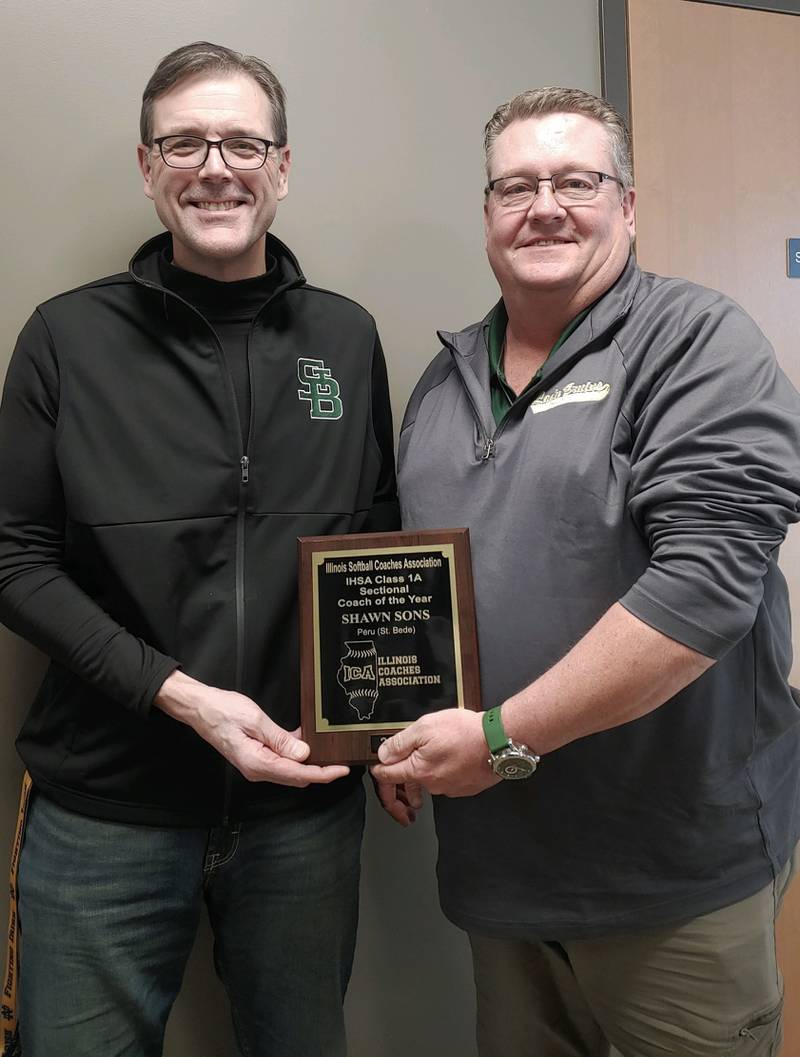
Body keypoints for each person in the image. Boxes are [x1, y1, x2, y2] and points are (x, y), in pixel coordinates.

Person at [372, 87, 800, 1057]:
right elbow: (412, 591)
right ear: (487, 212)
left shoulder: (694, 344)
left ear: (627, 205)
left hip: (667, 875)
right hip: (503, 874)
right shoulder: (442, 383)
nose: (544, 206)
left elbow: (702, 589)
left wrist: (495, 737)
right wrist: (382, 726)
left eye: (575, 180)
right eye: (516, 185)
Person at [0, 41, 398, 1057]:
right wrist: (179, 693)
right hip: (107, 811)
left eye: (240, 143)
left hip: (303, 810)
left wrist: (388, 720)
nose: (214, 167)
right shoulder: (64, 339)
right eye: (185, 143)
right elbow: (13, 557)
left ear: (281, 165)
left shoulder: (344, 340)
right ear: (147, 167)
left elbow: (377, 546)